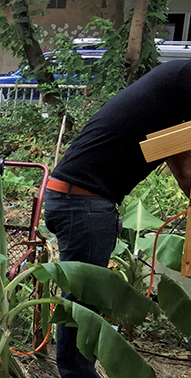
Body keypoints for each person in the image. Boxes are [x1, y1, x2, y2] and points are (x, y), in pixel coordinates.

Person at [46, 59, 191, 377]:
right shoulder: (185, 78)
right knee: (83, 302)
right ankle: (76, 372)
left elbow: (180, 159)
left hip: (78, 197)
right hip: (82, 200)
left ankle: (76, 370)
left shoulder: (175, 86)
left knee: (84, 300)